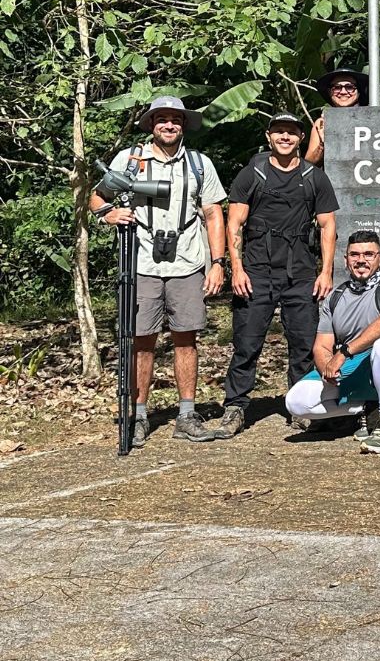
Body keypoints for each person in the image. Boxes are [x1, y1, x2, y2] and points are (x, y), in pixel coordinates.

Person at [89, 95, 226, 446]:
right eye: (162, 119)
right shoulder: (130, 160)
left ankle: (186, 415)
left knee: (186, 338)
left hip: (188, 261)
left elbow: (213, 214)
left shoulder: (199, 164)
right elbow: (97, 197)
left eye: (175, 120)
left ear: (184, 125)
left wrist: (217, 263)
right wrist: (109, 214)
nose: (169, 125)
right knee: (141, 341)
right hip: (141, 262)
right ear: (151, 124)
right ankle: (138, 416)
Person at [217, 112, 339, 437]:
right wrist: (237, 269)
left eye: (291, 132)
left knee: (303, 344)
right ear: (269, 136)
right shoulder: (252, 174)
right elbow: (234, 223)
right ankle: (235, 406)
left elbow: (327, 226)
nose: (285, 137)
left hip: (300, 272)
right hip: (256, 271)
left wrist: (325, 272)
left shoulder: (314, 177)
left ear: (301, 138)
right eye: (279, 131)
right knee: (246, 343)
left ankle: (301, 406)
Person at [285, 231, 380, 455]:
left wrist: (343, 353)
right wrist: (328, 369)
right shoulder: (335, 296)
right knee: (296, 401)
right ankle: (365, 408)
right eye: (355, 255)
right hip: (356, 368)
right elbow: (321, 346)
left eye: (369, 254)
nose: (361, 260)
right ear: (346, 259)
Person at [305, 66, 368, 166]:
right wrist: (322, 144)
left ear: (359, 92)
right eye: (337, 88)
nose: (343, 92)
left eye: (349, 87)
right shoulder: (322, 123)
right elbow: (309, 163)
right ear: (330, 92)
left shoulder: (370, 119)